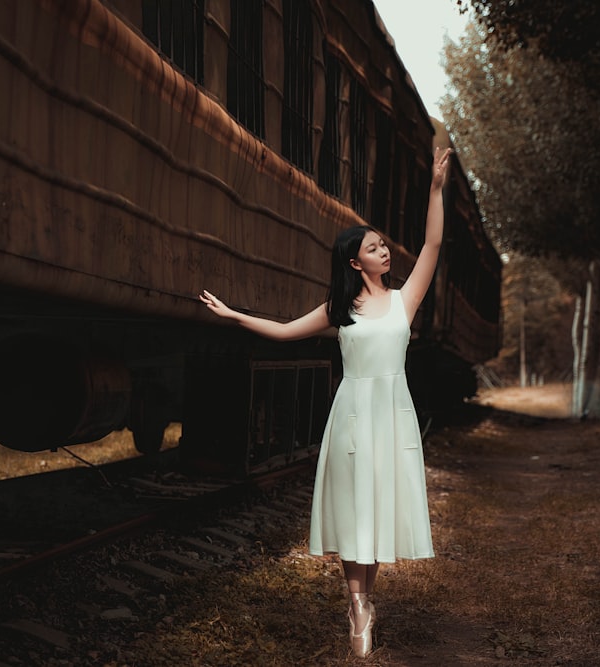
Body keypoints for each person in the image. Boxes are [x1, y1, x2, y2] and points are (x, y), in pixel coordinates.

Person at [199, 146, 453, 657]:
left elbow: (432, 243)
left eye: (384, 246)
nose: (386, 252)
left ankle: (366, 602)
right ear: (355, 262)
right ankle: (356, 603)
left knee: (377, 510)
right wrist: (234, 316)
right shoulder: (340, 309)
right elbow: (284, 330)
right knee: (354, 508)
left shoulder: (405, 300)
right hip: (353, 415)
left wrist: (434, 190)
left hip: (393, 415)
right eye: (375, 248)